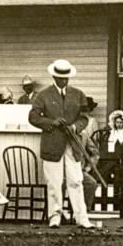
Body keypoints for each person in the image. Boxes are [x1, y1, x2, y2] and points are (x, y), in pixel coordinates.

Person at [27, 59, 96, 229]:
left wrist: (75, 127)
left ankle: (82, 218)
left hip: (73, 143)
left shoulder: (78, 94)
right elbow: (33, 117)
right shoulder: (43, 95)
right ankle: (55, 216)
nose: (63, 81)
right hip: (52, 143)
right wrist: (52, 122)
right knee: (54, 182)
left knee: (76, 180)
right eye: (60, 78)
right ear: (54, 77)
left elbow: (84, 117)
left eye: (66, 78)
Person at [100, 110, 123, 219]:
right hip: (111, 157)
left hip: (122, 159)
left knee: (119, 174)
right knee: (106, 170)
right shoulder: (112, 132)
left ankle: (117, 201)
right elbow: (110, 144)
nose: (118, 124)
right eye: (117, 122)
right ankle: (104, 199)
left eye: (120, 122)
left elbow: (122, 144)